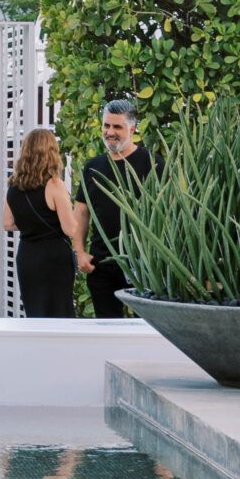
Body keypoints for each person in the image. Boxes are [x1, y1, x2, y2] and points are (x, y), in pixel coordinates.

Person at [77, 98, 158, 318]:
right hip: (102, 263)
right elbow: (82, 212)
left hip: (144, 262)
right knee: (106, 328)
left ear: (132, 129)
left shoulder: (152, 164)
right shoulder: (92, 167)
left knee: (146, 328)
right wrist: (81, 252)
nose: (110, 132)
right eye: (106, 125)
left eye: (117, 127)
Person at [4, 126, 89, 319]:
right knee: (59, 313)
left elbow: (8, 223)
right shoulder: (54, 185)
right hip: (53, 258)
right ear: (51, 152)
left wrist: (31, 224)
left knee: (35, 313)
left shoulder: (14, 186)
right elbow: (70, 228)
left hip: (27, 256)